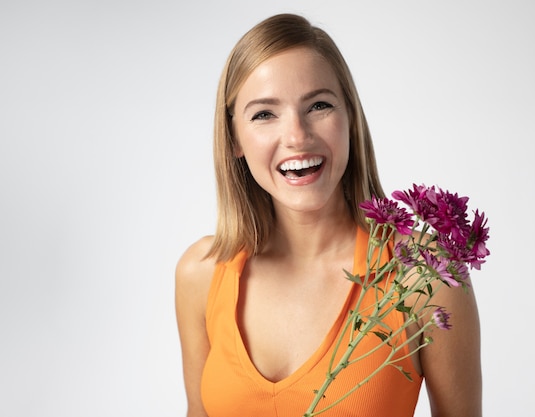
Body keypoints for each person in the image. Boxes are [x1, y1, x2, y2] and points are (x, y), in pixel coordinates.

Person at [175, 13, 481, 417]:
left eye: (319, 105)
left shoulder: (425, 275)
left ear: (350, 119)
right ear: (234, 137)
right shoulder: (201, 273)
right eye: (265, 114)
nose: (297, 136)